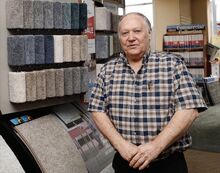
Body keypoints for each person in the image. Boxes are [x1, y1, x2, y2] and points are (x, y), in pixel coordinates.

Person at [88, 12, 207, 173]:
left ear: (149, 33)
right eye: (125, 33)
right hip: (125, 163)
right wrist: (121, 145)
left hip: (167, 165)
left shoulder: (172, 65)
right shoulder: (108, 70)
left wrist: (155, 147)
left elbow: (190, 109)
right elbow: (97, 109)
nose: (131, 37)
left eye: (137, 31)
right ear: (120, 38)